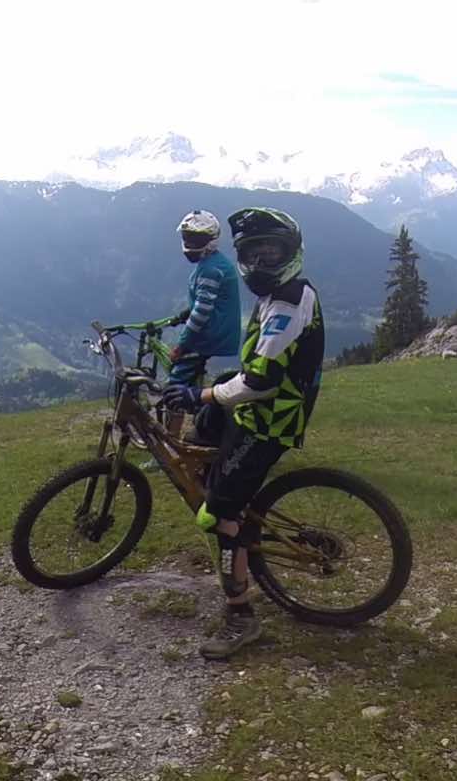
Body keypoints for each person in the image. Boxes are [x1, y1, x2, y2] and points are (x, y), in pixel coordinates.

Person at [163, 207, 325, 659]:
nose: (259, 262)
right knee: (206, 434)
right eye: (253, 253)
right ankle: (234, 500)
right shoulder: (279, 292)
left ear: (291, 253)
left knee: (217, 516)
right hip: (256, 410)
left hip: (270, 419)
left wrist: (201, 394)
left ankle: (241, 617)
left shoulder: (288, 302)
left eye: (270, 253)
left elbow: (260, 382)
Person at [168, 210, 241, 387]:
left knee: (176, 381)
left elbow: (202, 311)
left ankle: (177, 401)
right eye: (187, 238)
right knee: (190, 378)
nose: (189, 244)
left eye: (196, 240)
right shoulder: (214, 262)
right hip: (217, 333)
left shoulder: (210, 270)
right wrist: (183, 315)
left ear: (211, 240)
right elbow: (209, 299)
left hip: (209, 337)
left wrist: (181, 345)